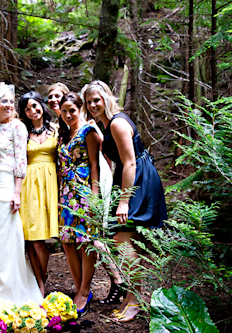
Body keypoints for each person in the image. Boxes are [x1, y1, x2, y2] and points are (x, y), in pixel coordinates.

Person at [84, 80, 167, 322]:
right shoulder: (106, 125)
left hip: (137, 179)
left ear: (107, 98)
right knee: (124, 239)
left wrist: (124, 201)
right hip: (128, 177)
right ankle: (132, 296)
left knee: (122, 238)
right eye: (89, 102)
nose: (92, 105)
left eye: (97, 100)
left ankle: (137, 299)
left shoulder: (118, 123)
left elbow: (130, 162)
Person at [0, 82, 43, 310]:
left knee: (8, 239)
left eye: (10, 101)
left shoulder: (18, 127)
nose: (8, 105)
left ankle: (11, 291)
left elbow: (21, 160)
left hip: (8, 186)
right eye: (3, 101)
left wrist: (16, 192)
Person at [57, 92, 101, 316]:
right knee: (67, 242)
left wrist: (94, 196)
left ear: (80, 109)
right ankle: (79, 288)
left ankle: (84, 291)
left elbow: (95, 165)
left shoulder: (89, 131)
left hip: (84, 190)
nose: (67, 114)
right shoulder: (62, 134)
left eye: (71, 110)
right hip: (65, 193)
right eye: (63, 111)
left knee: (84, 241)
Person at [18, 91, 58, 297]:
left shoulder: (57, 130)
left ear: (42, 105)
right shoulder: (22, 132)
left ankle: (41, 278)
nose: (33, 111)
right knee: (33, 237)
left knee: (44, 236)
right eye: (27, 108)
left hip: (52, 183)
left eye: (35, 106)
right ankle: (39, 283)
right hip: (29, 185)